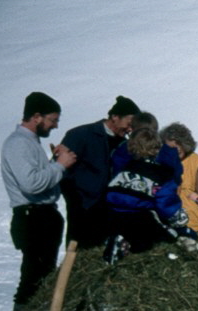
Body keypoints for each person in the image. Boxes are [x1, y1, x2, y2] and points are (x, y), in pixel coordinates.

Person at [0, 91, 77, 311]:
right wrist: (60, 166)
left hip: (40, 217)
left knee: (40, 278)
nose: (55, 125)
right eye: (52, 119)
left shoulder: (29, 143)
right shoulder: (18, 143)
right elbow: (31, 184)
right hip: (34, 217)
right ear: (36, 117)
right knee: (34, 281)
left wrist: (52, 162)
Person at [102, 127, 194, 264]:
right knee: (164, 236)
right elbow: (165, 202)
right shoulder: (162, 173)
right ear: (158, 149)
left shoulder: (126, 168)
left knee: (131, 233)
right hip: (141, 215)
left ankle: (119, 242)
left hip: (113, 213)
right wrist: (178, 219)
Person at [59, 95, 141, 248]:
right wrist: (76, 201)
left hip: (110, 209)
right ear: (115, 117)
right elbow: (61, 171)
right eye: (129, 123)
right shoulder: (81, 135)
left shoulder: (126, 144)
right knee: (79, 251)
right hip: (84, 208)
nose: (130, 128)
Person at [160, 122, 198, 232]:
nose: (175, 149)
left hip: (193, 228)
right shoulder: (161, 164)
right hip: (166, 228)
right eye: (170, 146)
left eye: (178, 144)